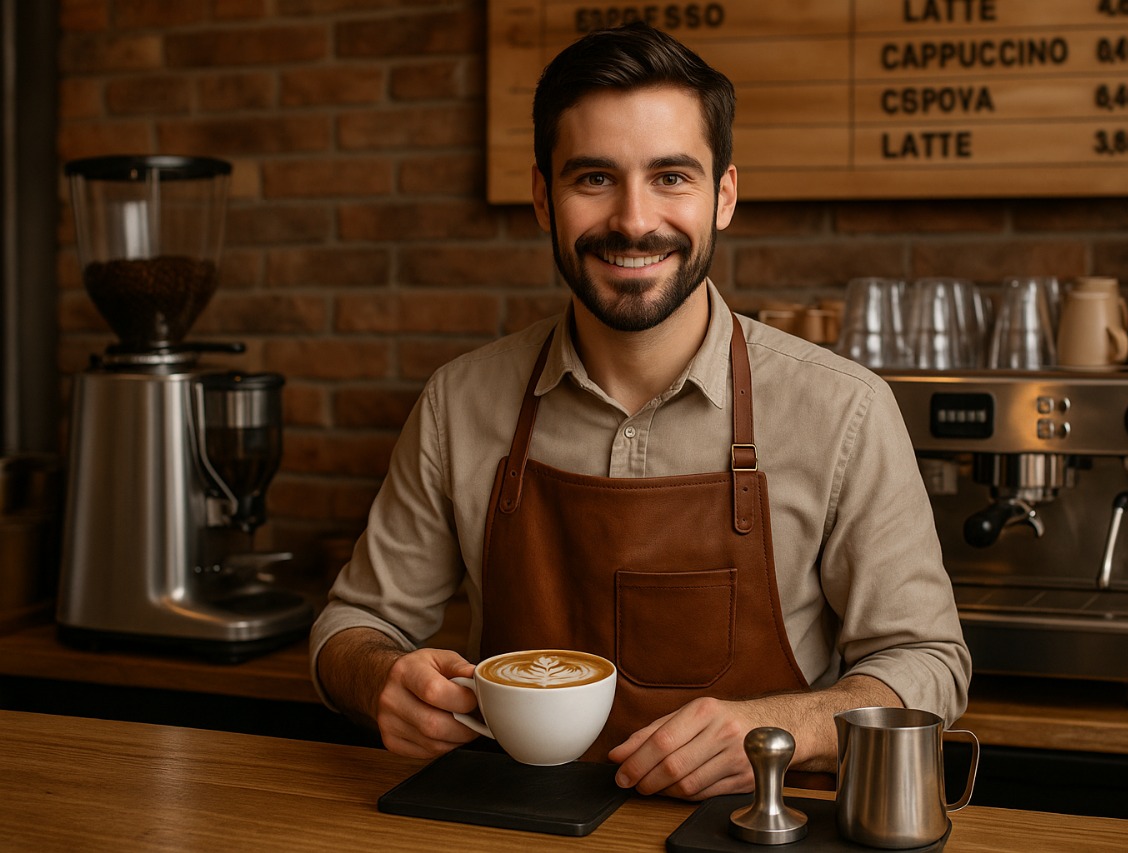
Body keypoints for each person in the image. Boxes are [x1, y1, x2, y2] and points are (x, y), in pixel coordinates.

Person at [310, 21, 970, 801]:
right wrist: (379, 678)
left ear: (723, 195)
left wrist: (778, 733)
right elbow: (349, 626)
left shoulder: (843, 410)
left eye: (671, 177)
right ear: (541, 196)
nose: (631, 219)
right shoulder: (459, 403)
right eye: (593, 178)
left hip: (751, 829)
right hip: (517, 824)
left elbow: (928, 665)